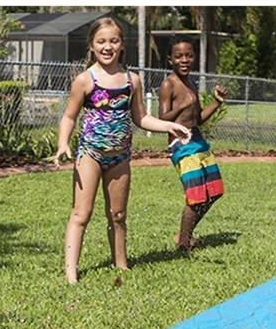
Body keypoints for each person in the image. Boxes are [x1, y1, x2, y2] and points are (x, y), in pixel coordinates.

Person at [54, 17, 191, 284]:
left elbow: (141, 118)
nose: (107, 47)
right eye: (101, 41)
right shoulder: (85, 80)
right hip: (90, 155)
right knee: (81, 214)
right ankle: (71, 271)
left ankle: (121, 264)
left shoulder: (132, 80)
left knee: (118, 215)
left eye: (113, 41)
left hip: (120, 157)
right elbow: (69, 116)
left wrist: (169, 126)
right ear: (92, 46)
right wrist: (63, 143)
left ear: (121, 45)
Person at [158, 36, 227, 252]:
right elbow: (162, 119)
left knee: (214, 190)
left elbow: (197, 119)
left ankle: (183, 235)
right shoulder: (169, 84)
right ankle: (183, 245)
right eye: (179, 56)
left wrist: (216, 102)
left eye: (189, 55)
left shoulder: (191, 83)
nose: (184, 60)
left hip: (197, 138)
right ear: (170, 59)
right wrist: (181, 107)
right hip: (181, 143)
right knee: (196, 196)